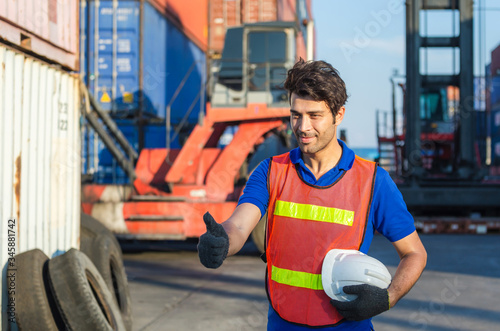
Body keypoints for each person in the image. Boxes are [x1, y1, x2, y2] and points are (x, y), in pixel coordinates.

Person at [197, 59, 427, 330]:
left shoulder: (373, 181)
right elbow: (238, 224)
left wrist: (388, 297)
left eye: (314, 115)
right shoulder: (271, 171)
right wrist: (222, 241)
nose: (303, 127)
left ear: (339, 114)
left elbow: (414, 254)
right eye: (296, 114)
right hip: (283, 324)